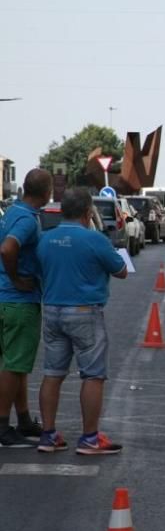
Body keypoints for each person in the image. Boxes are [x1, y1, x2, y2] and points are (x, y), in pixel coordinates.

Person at [34, 188, 127, 455]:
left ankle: (48, 435)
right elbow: (121, 271)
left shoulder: (45, 239)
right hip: (85, 312)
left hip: (52, 311)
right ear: (89, 213)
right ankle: (89, 438)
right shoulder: (95, 239)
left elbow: (38, 269)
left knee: (52, 374)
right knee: (93, 375)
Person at [0, 169, 52, 447]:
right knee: (13, 365)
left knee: (15, 364)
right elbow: (8, 249)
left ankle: (23, 420)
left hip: (3, 298)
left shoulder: (11, 211)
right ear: (46, 192)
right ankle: (2, 427)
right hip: (17, 301)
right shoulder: (28, 221)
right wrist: (17, 279)